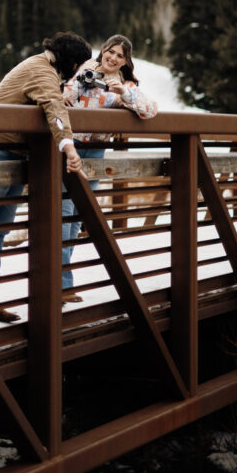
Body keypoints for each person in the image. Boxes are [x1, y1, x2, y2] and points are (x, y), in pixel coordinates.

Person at [0, 31, 92, 323]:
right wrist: (68, 146)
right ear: (71, 60)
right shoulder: (41, 71)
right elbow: (53, 106)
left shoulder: (46, 69)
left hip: (12, 152)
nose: (77, 72)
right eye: (78, 65)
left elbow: (49, 103)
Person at [60, 34, 158, 300]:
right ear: (102, 50)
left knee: (78, 215)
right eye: (110, 52)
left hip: (96, 151)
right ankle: (62, 285)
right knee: (65, 214)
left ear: (125, 61)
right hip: (71, 147)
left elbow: (150, 110)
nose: (113, 58)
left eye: (120, 56)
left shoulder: (124, 84)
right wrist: (79, 83)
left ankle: (62, 282)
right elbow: (61, 97)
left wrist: (123, 93)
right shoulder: (84, 70)